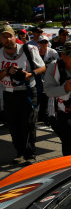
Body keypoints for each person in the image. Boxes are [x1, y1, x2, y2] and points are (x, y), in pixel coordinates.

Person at [0, 23, 46, 163]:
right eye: (4, 37)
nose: (8, 40)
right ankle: (19, 152)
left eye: (10, 36)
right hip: (9, 92)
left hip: (27, 91)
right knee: (14, 125)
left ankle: (30, 154)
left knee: (28, 123)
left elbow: (42, 68)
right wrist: (7, 72)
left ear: (15, 37)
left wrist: (29, 74)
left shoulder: (29, 49)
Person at [37, 35, 60, 124]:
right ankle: (41, 115)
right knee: (40, 96)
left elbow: (59, 63)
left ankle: (50, 117)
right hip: (38, 77)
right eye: (41, 42)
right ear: (38, 43)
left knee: (50, 97)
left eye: (45, 42)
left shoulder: (53, 52)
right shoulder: (35, 51)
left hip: (50, 76)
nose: (44, 44)